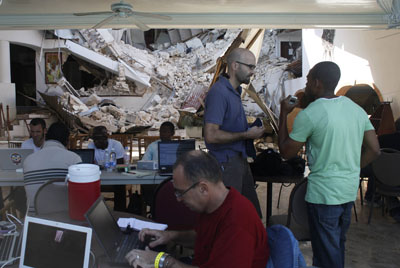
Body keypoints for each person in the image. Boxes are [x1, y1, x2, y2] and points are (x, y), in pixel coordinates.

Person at [278, 61, 380, 268]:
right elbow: (375, 150)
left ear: (317, 83)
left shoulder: (310, 114)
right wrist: (352, 168)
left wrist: (283, 114)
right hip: (348, 190)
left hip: (324, 193)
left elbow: (286, 152)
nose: (305, 85)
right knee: (336, 245)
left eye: (307, 80)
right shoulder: (356, 110)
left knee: (327, 252)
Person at [126, 150, 269, 268]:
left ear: (203, 188)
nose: (178, 199)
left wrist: (161, 260)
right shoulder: (213, 205)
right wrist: (170, 236)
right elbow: (202, 238)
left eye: (181, 192)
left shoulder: (237, 220)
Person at [204, 48, 264, 217]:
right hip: (226, 164)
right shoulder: (219, 92)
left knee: (249, 215)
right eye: (250, 67)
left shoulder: (234, 92)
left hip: (238, 161)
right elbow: (211, 135)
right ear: (235, 65)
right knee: (229, 216)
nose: (252, 72)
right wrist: (246, 135)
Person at [23, 122, 82, 214]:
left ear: (46, 137)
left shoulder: (28, 160)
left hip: (34, 220)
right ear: (67, 141)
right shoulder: (74, 158)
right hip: (65, 221)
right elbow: (80, 194)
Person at [364, 117, 400, 221]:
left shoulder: (381, 139)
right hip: (396, 182)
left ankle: (392, 207)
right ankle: (394, 208)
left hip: (382, 181)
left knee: (377, 167)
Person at [88, 126, 126, 211]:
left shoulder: (116, 145)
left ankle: (120, 211)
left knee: (120, 185)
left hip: (114, 177)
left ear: (106, 137)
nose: (96, 142)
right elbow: (90, 165)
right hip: (99, 178)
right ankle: (93, 211)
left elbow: (120, 165)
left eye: (99, 139)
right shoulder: (91, 146)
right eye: (95, 139)